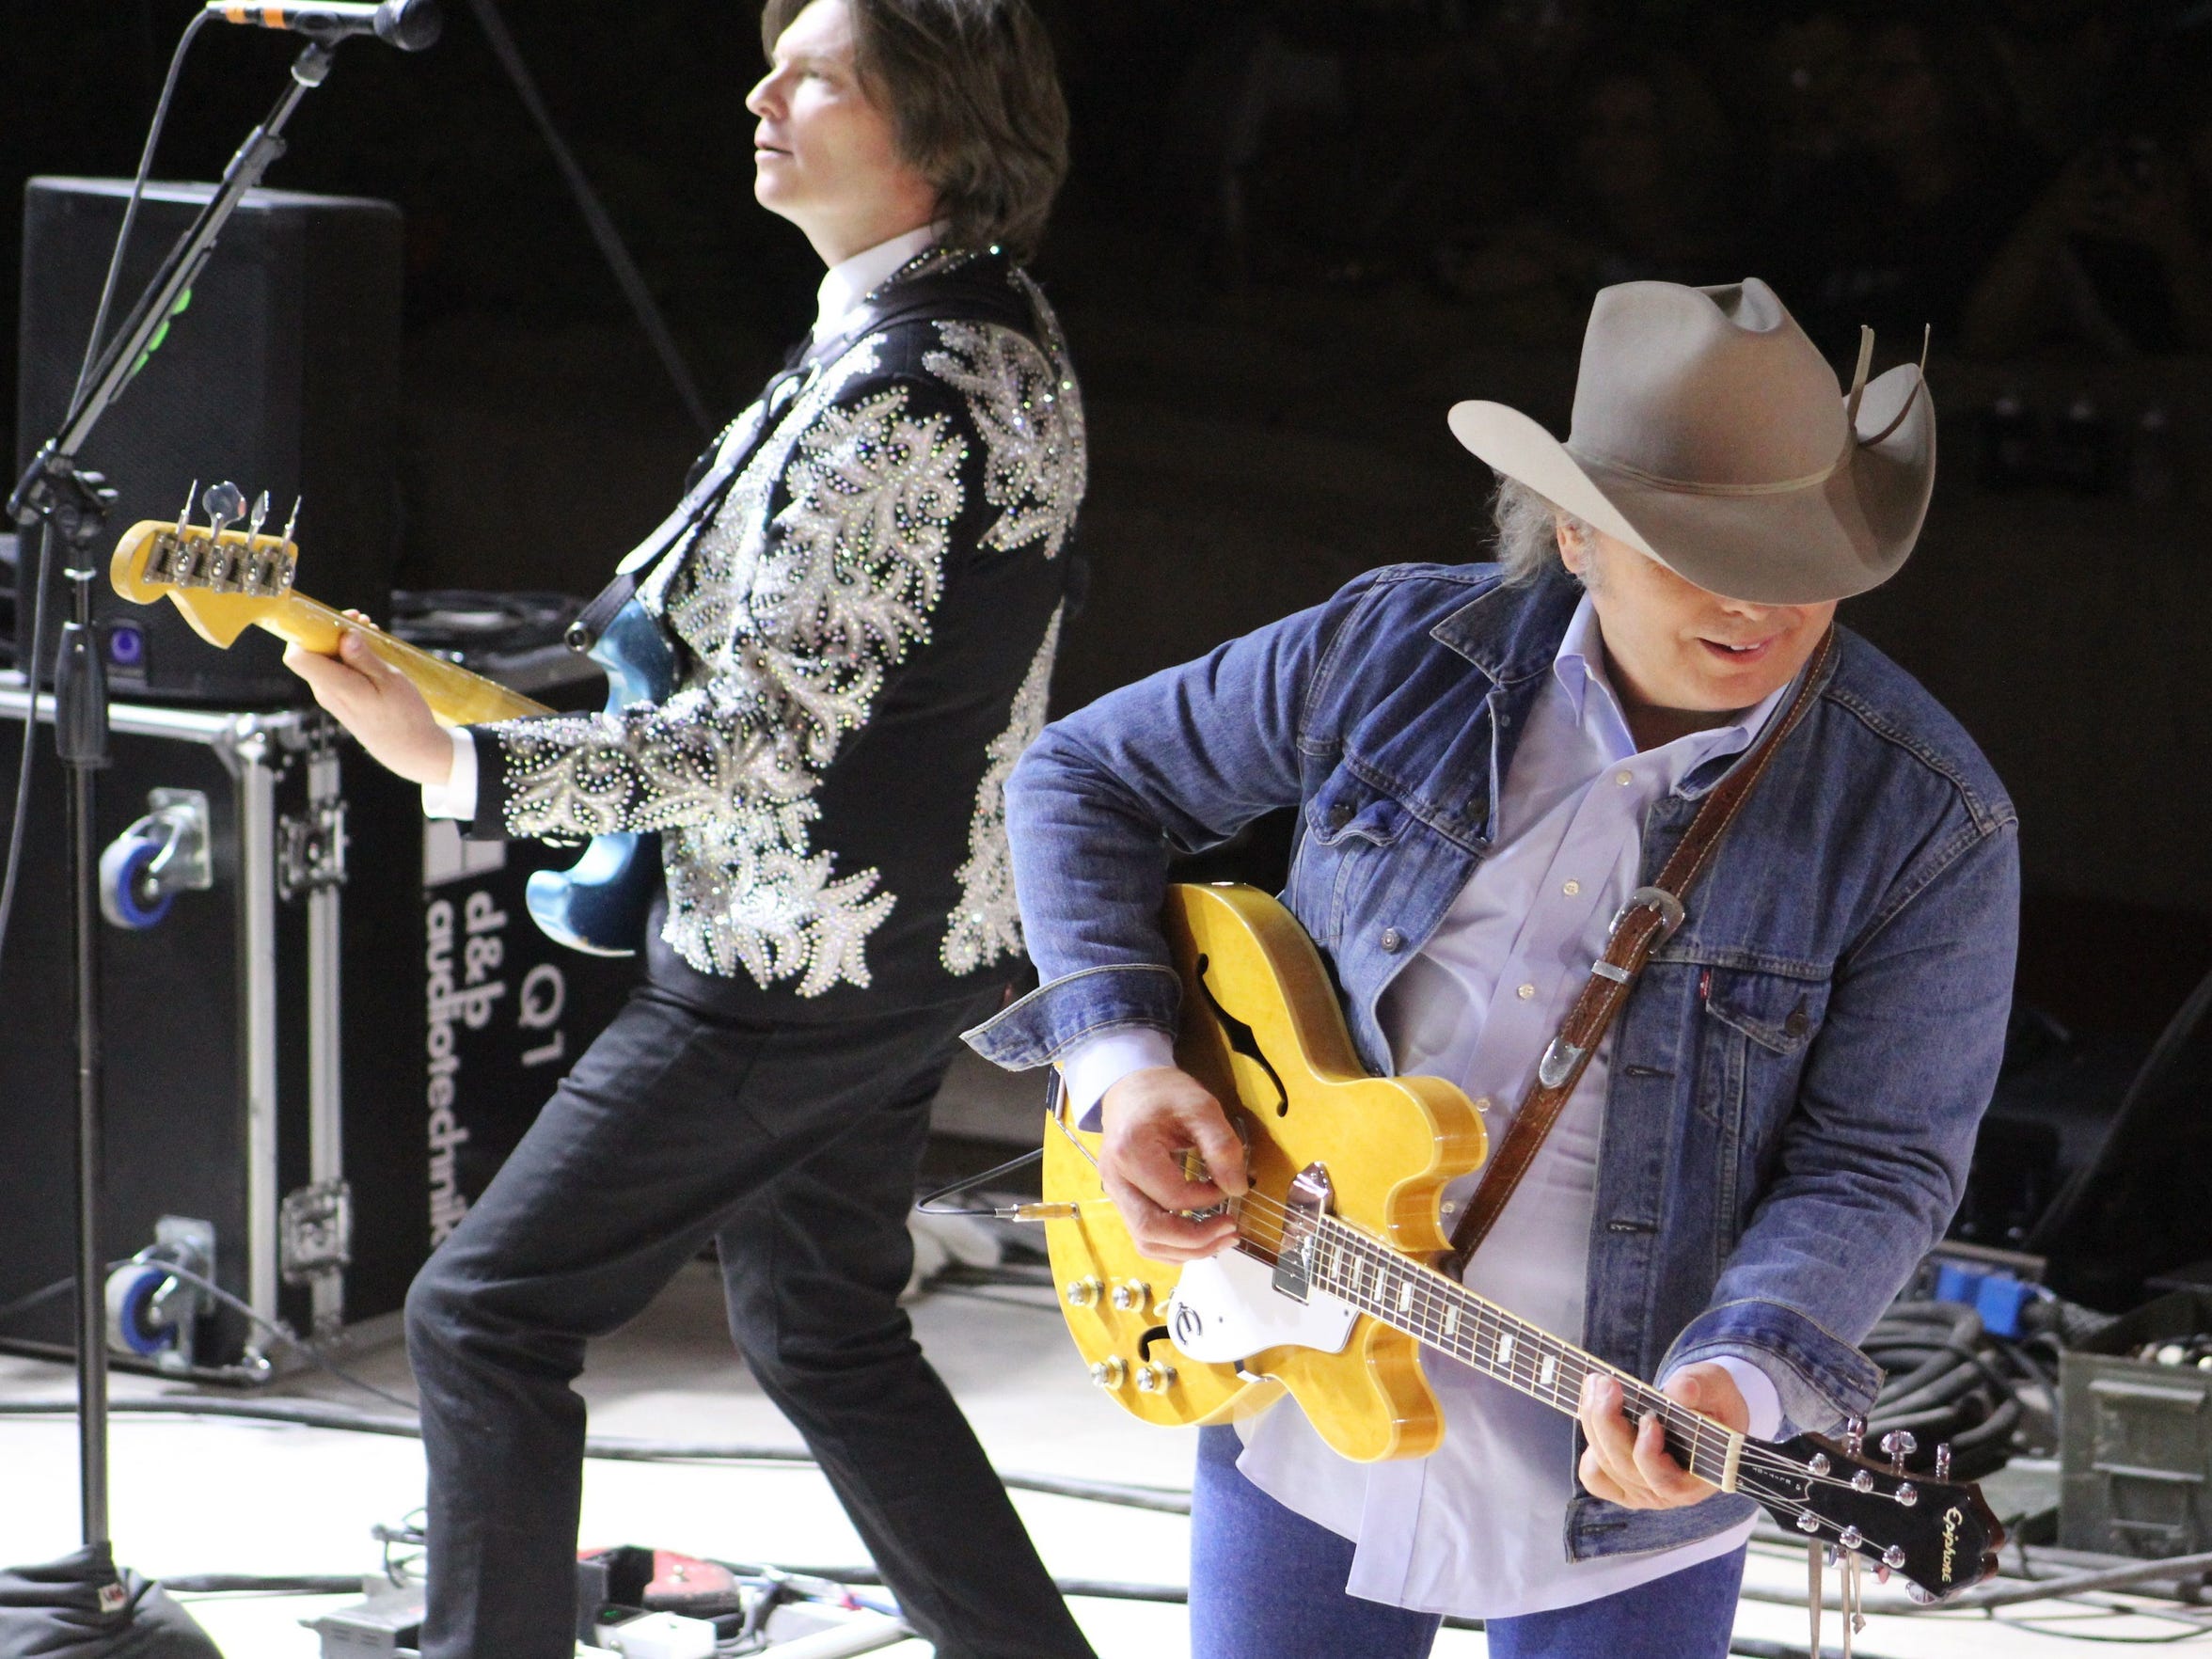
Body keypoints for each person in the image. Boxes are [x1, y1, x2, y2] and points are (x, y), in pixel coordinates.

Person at [968, 277, 2018, 1657]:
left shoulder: (1928, 816)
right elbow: (1082, 776)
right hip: (1289, 1360)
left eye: (1803, 547)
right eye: (1702, 545)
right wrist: (1127, 1069)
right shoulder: (1397, 646)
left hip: (1625, 1468)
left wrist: (1745, 1378)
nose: (1762, 598)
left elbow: (1881, 1161)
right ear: (1575, 528)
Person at [285, 3, 1094, 1655]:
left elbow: (763, 741)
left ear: (933, 137)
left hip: (787, 967)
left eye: (819, 74)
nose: (760, 91)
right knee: (823, 1333)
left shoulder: (899, 390)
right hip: (911, 946)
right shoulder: (984, 327)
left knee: (485, 1317)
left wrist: (460, 768)